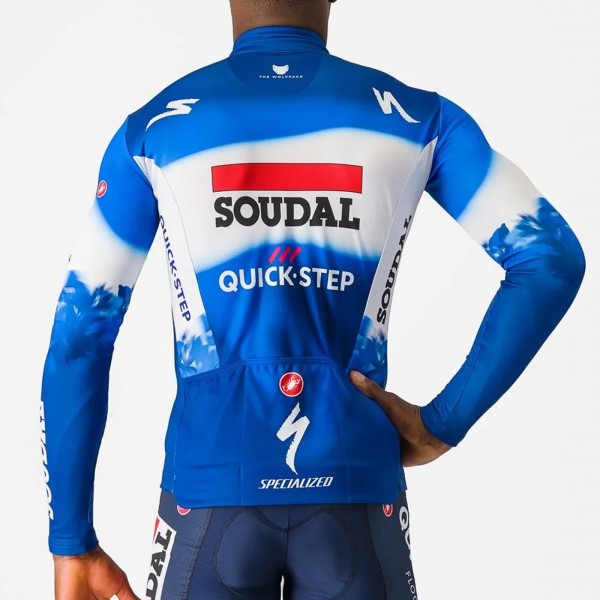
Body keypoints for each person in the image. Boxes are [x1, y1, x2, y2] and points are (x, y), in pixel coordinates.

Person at [41, 0, 586, 598]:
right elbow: (549, 259)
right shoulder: (417, 117)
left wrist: (71, 541)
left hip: (208, 489)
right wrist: (443, 423)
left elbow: (79, 335)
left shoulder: (152, 130)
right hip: (357, 488)